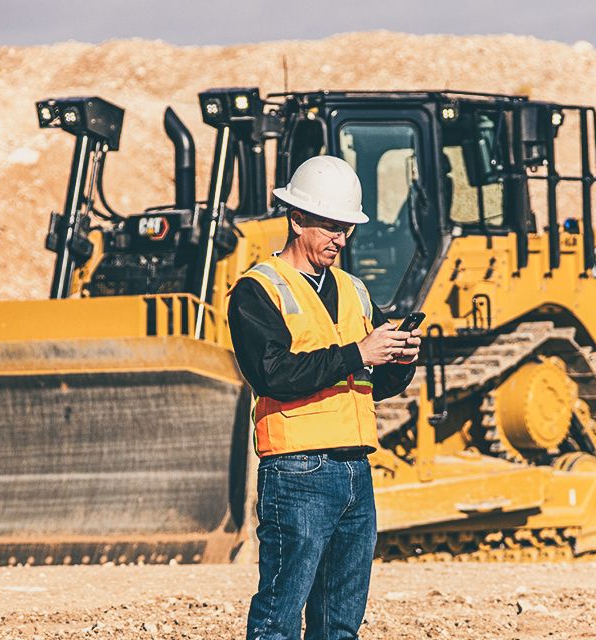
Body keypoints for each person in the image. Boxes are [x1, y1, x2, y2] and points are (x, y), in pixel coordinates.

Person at [227, 155, 421, 640]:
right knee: (279, 618)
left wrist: (399, 359)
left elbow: (377, 383)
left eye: (346, 229)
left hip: (355, 470)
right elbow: (273, 373)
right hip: (297, 472)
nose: (341, 239)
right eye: (331, 227)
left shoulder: (353, 289)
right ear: (297, 219)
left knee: (340, 625)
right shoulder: (258, 290)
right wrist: (359, 352)